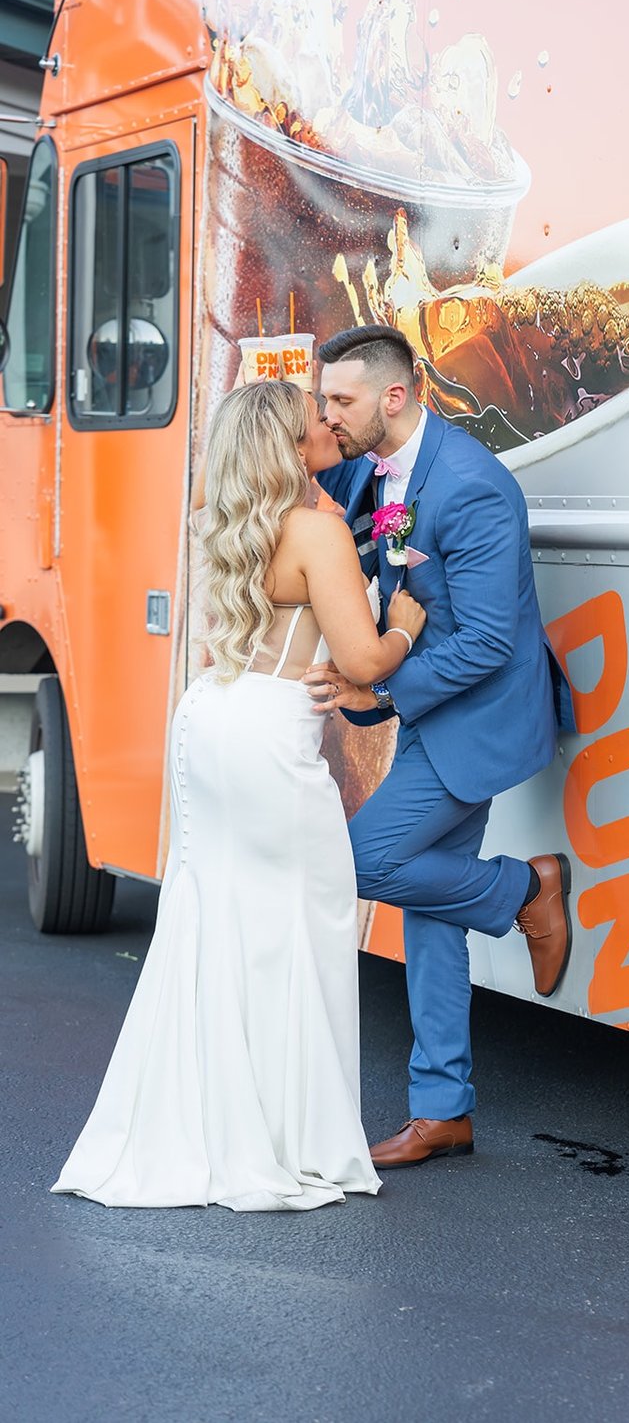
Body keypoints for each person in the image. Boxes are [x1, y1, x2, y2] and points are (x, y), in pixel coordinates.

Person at [52, 380, 426, 1210]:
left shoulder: (227, 518)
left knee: (215, 918)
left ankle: (210, 1119)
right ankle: (289, 1138)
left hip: (211, 716)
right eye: (313, 417)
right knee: (301, 925)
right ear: (290, 446)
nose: (328, 421)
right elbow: (362, 662)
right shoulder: (319, 531)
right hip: (270, 735)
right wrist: (404, 622)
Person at [306, 324, 576, 1169]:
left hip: (477, 717)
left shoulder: (472, 487)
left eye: (340, 400)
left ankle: (525, 888)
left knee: (359, 862)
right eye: (322, 400)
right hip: (436, 711)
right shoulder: (379, 464)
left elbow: (491, 641)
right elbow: (289, 462)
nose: (327, 415)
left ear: (395, 396)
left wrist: (381, 689)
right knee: (429, 910)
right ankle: (443, 1111)